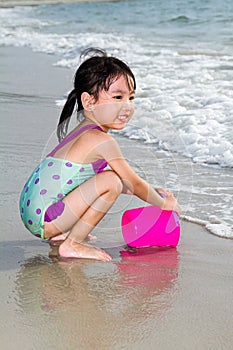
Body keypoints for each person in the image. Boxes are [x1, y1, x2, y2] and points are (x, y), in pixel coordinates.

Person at [19, 48, 181, 262]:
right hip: (45, 218)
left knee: (108, 180)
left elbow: (89, 182)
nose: (127, 106)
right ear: (89, 102)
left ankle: (61, 235)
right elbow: (131, 182)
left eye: (131, 98)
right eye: (117, 97)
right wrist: (163, 204)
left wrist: (154, 191)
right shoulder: (102, 141)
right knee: (112, 180)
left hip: (34, 211)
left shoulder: (82, 130)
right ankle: (73, 243)